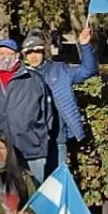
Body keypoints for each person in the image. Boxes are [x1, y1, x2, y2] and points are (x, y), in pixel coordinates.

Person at [21, 29, 98, 178]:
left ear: (43, 52)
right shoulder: (22, 77)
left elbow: (88, 70)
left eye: (37, 51)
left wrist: (85, 45)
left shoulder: (60, 70)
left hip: (58, 136)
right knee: (37, 185)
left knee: (57, 180)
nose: (33, 56)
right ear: (24, 55)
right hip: (33, 140)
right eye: (29, 52)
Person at [0, 39, 53, 183]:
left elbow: (47, 113)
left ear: (17, 55)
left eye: (9, 53)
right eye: (1, 53)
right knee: (2, 197)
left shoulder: (33, 79)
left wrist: (38, 134)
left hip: (30, 147)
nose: (5, 57)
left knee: (33, 195)